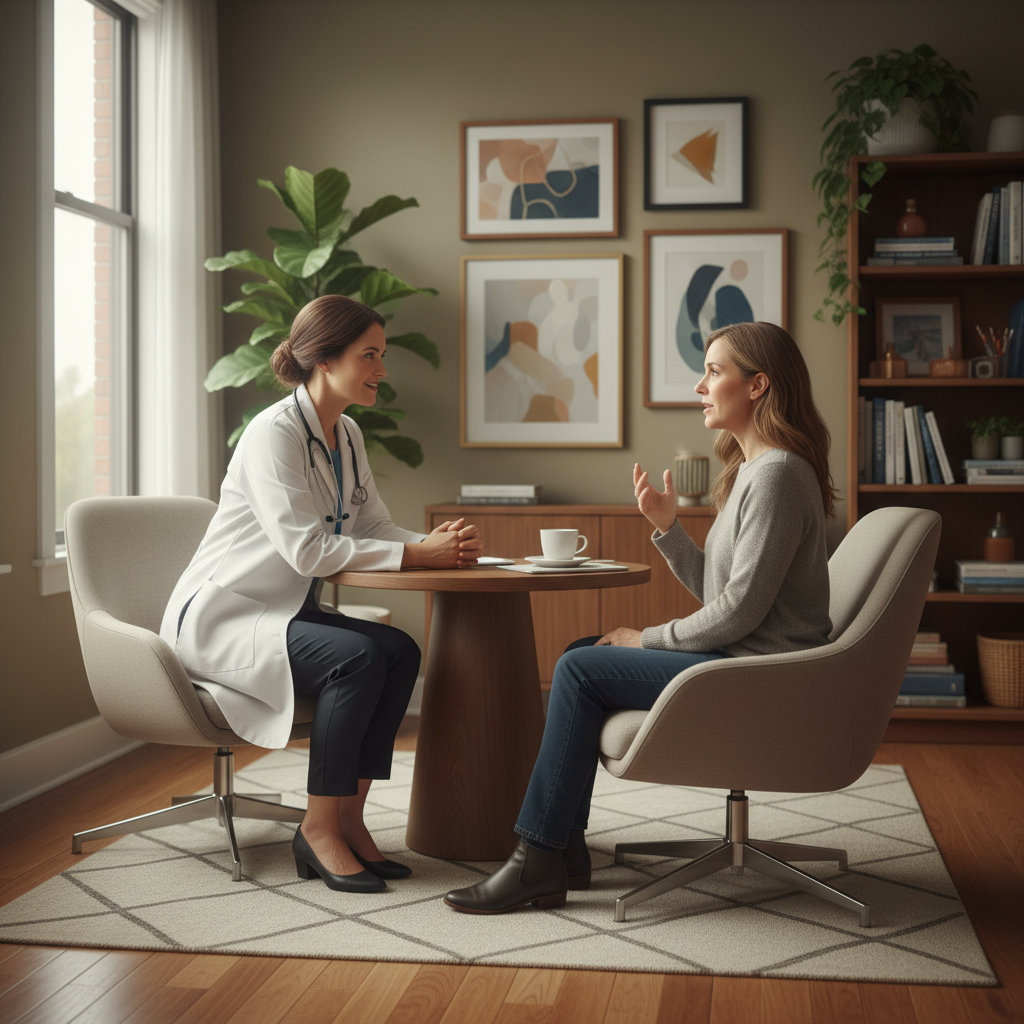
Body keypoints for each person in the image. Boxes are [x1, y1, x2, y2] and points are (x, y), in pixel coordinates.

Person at [443, 321, 837, 914]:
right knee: (580, 651)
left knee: (579, 669)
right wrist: (668, 528)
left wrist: (646, 638)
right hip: (743, 658)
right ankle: (565, 849)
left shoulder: (778, 475)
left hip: (760, 673)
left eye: (714, 372)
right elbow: (724, 594)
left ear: (757, 385)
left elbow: (739, 612)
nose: (700, 386)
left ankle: (535, 861)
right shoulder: (754, 471)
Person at [160, 295, 482, 894]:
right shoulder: (272, 434)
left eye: (381, 355)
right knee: (357, 657)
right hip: (225, 619)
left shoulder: (347, 433)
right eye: (369, 355)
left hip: (283, 614)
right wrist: (420, 555)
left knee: (400, 651)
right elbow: (306, 551)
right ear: (324, 359)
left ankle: (349, 820)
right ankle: (318, 828)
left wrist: (433, 543)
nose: (381, 369)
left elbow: (372, 525)